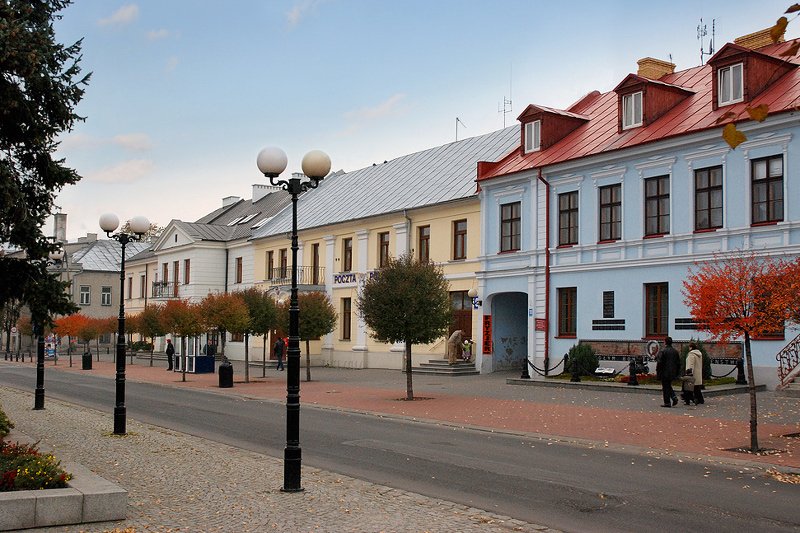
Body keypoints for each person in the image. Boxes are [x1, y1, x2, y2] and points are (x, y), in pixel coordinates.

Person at [655, 336, 679, 407]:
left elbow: (659, 363)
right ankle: (674, 397)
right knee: (668, 385)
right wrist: (677, 372)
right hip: (672, 372)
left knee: (665, 387)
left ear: (665, 342)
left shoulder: (663, 351)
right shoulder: (675, 352)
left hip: (664, 372)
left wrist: (658, 372)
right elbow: (678, 363)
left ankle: (667, 402)